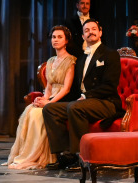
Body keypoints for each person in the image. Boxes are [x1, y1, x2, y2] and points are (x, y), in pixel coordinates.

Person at [43, 19, 123, 171]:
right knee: (50, 109)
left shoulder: (110, 54)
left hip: (106, 102)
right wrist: (49, 100)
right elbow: (73, 89)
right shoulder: (81, 59)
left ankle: (81, 157)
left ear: (100, 32)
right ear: (83, 36)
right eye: (86, 30)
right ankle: (65, 156)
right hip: (83, 102)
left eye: (94, 29)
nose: (90, 32)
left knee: (75, 107)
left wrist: (86, 96)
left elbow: (110, 85)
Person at [5, 25, 76, 169]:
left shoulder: (71, 61)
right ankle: (27, 154)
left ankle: (41, 155)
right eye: (53, 37)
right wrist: (43, 98)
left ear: (66, 40)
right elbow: (49, 87)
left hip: (62, 99)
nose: (56, 40)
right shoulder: (50, 61)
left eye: (59, 37)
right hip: (50, 97)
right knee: (30, 111)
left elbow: (67, 88)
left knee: (38, 114)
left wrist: (49, 102)